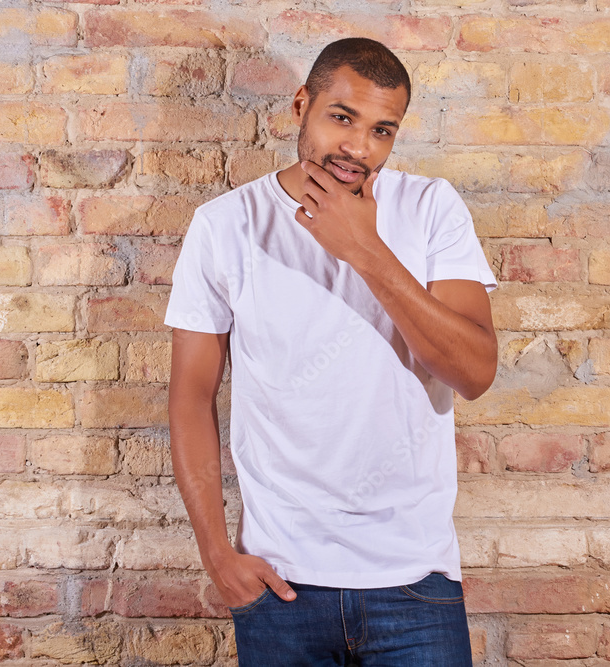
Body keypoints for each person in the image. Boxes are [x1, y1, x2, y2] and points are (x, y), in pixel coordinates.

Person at [164, 37, 498, 666]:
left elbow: (475, 372)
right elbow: (190, 397)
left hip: (415, 580)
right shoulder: (225, 224)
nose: (358, 148)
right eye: (342, 118)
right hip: (280, 581)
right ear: (301, 105)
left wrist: (365, 250)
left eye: (381, 131)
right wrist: (216, 555)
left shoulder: (431, 208)